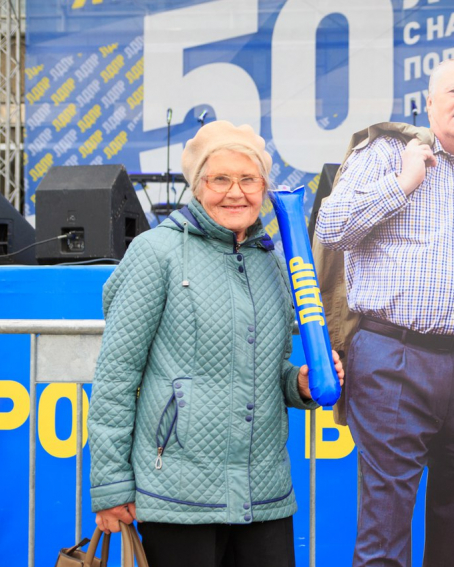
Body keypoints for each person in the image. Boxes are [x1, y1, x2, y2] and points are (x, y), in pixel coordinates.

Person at [87, 120, 344, 567]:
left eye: (248, 179)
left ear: (264, 187)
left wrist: (298, 384)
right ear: (197, 185)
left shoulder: (272, 262)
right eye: (220, 179)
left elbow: (270, 368)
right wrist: (110, 486)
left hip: (263, 493)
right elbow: (115, 377)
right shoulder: (157, 252)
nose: (235, 192)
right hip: (177, 496)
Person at [315, 57, 454, 567]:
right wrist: (403, 183)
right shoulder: (385, 155)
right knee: (385, 529)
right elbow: (332, 229)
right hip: (393, 357)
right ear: (428, 103)